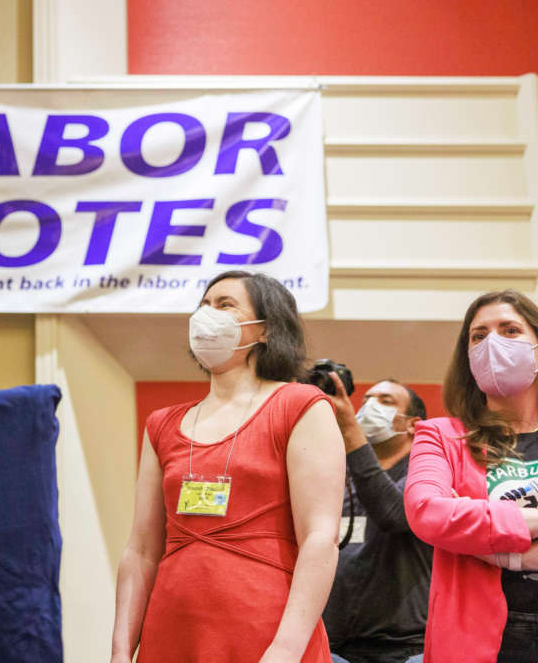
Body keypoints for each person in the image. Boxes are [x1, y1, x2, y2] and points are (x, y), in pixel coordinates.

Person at [111, 271, 345, 662]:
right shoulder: (162, 424)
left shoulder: (300, 405)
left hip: (266, 630)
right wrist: (121, 648)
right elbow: (141, 551)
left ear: (265, 330)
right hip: (172, 629)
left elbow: (320, 537)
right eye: (204, 305)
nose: (207, 315)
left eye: (224, 305)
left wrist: (286, 649)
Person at [404, 290, 538, 663]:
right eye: (478, 336)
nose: (492, 342)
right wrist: (521, 558)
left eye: (510, 330)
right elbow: (428, 513)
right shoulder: (441, 435)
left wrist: (488, 543)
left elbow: (453, 519)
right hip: (480, 636)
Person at [324, 377, 432, 663]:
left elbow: (393, 514)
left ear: (413, 423)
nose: (371, 407)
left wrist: (348, 428)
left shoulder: (425, 474)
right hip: (336, 648)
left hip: (402, 648)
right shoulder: (341, 474)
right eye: (366, 400)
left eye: (385, 401)